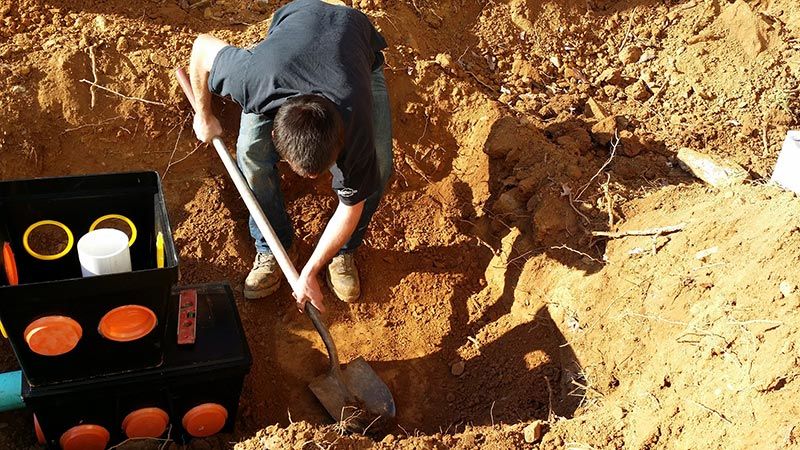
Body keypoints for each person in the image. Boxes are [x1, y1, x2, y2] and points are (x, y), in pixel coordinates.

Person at [187, 0, 392, 312]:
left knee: (380, 166)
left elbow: (351, 208)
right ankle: (273, 245)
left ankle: (344, 252)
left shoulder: (355, 118)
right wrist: (203, 115)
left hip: (354, 41)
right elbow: (201, 47)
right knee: (249, 151)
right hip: (293, 30)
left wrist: (309, 271)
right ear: (275, 130)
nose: (311, 178)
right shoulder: (253, 79)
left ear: (340, 140)